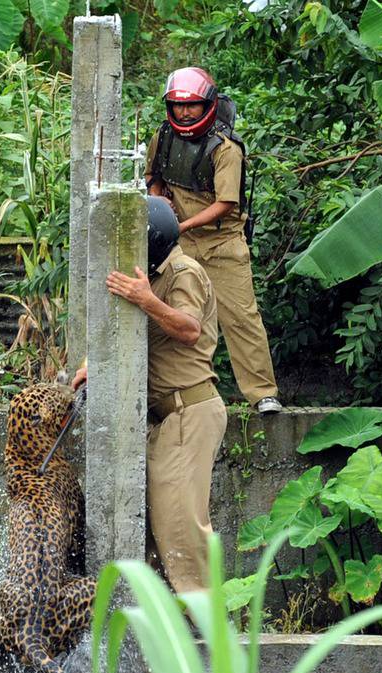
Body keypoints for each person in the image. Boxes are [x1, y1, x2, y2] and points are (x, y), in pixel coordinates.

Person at [72, 197, 225, 593]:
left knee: (183, 529)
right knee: (157, 531)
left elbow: (189, 329)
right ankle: (168, 627)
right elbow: (126, 333)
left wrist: (146, 299)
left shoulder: (182, 271)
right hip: (164, 419)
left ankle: (209, 635)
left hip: (188, 412)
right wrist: (93, 366)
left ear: (153, 238)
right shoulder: (151, 276)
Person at [144, 66, 282, 415]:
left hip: (221, 243)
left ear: (208, 105)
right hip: (178, 241)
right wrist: (159, 204)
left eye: (191, 105)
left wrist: (183, 225)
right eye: (178, 105)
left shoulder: (226, 148)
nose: (185, 112)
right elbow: (154, 178)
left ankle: (262, 393)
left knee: (241, 317)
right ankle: (183, 393)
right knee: (178, 316)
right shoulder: (163, 135)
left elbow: (226, 204)